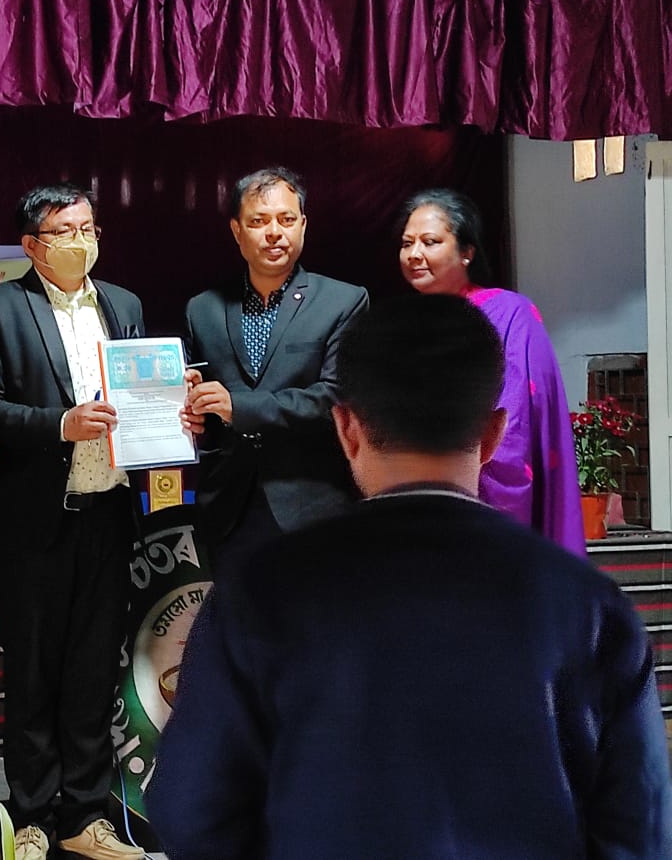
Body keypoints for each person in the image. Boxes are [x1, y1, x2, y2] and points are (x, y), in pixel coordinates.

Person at [146, 295, 672, 859]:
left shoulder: (259, 591)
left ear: (346, 429)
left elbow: (190, 809)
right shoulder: (588, 603)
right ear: (494, 433)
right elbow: (639, 829)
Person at [0, 184, 146, 860]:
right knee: (33, 676)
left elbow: (140, 393)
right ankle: (33, 818)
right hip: (32, 523)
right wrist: (60, 424)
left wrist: (169, 407)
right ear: (31, 245)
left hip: (108, 514)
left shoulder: (123, 304)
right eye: (64, 230)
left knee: (92, 676)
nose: (80, 240)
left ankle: (85, 818)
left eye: (88, 227)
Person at [182, 166, 369, 559]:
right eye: (258, 221)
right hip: (227, 507)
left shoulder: (344, 302)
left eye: (286, 219)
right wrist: (190, 412)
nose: (274, 232)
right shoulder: (202, 309)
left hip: (313, 504)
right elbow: (201, 408)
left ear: (303, 225)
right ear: (237, 231)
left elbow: (337, 398)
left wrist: (239, 407)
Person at [398, 187, 585, 555]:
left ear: (466, 252)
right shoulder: (402, 326)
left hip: (478, 501)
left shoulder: (508, 314)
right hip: (412, 498)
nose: (414, 254)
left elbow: (511, 426)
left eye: (430, 242)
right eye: (407, 243)